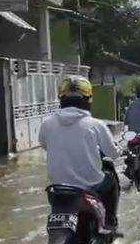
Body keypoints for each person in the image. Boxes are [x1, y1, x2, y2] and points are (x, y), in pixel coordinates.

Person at [38, 76, 121, 230]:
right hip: (90, 185)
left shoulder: (47, 124)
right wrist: (119, 149)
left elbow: (44, 144)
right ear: (88, 99)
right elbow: (113, 153)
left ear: (61, 99)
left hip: (58, 188)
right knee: (111, 182)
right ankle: (110, 223)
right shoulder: (95, 125)